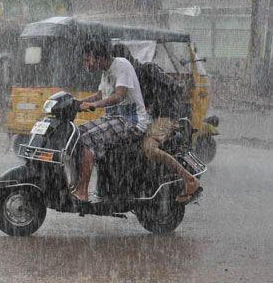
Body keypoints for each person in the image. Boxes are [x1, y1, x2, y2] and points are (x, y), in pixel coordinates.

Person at [111, 44, 201, 203]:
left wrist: (157, 103)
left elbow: (176, 88)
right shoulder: (126, 77)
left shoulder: (148, 69)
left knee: (149, 148)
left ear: (125, 61)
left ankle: (190, 181)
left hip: (165, 117)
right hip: (147, 118)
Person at [71, 40, 151, 202]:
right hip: (113, 119)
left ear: (99, 58)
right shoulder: (105, 71)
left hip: (131, 121)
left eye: (88, 60)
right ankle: (75, 184)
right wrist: (76, 103)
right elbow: (101, 95)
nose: (86, 64)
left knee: (86, 140)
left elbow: (118, 96)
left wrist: (93, 105)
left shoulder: (122, 65)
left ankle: (82, 192)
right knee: (75, 134)